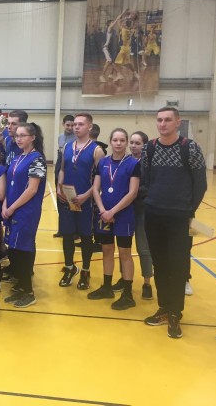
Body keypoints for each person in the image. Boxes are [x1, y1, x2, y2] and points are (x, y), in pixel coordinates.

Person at [142, 107, 207, 339]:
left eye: (168, 120)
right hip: (153, 216)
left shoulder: (190, 148)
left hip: (179, 218)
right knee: (159, 264)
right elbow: (146, 179)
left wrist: (188, 210)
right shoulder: (149, 148)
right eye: (159, 120)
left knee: (178, 266)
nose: (163, 124)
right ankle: (163, 307)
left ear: (178, 122)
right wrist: (152, 200)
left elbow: (200, 184)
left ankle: (175, 313)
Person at [88, 128, 140, 310]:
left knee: (125, 253)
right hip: (104, 214)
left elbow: (133, 193)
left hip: (124, 214)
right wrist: (103, 210)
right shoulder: (102, 163)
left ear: (126, 143)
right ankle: (107, 287)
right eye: (115, 140)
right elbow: (96, 189)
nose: (118, 143)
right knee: (107, 250)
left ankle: (128, 294)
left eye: (122, 140)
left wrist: (113, 212)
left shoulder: (133, 164)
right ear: (110, 142)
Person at [57, 113, 105, 290]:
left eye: (81, 124)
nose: (76, 127)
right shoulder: (67, 147)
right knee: (67, 234)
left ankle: (85, 270)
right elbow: (62, 170)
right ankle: (69, 268)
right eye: (75, 124)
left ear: (89, 127)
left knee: (85, 236)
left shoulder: (97, 150)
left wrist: (87, 195)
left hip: (86, 201)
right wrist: (59, 186)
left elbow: (101, 179)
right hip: (68, 198)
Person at [1, 123, 47, 308]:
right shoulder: (18, 157)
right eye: (17, 136)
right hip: (12, 209)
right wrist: (5, 204)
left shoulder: (37, 159)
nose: (18, 139)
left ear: (33, 137)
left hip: (26, 211)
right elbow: (10, 184)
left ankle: (29, 292)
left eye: (23, 135)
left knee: (23, 249)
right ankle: (20, 285)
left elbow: (32, 189)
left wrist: (12, 207)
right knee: (13, 249)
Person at [126, 131, 153, 299]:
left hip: (142, 210)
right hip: (126, 210)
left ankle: (147, 283)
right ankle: (124, 279)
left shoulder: (149, 164)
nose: (133, 146)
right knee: (124, 248)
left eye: (137, 143)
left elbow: (150, 186)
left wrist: (133, 192)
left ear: (144, 145)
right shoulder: (126, 161)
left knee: (143, 248)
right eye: (132, 142)